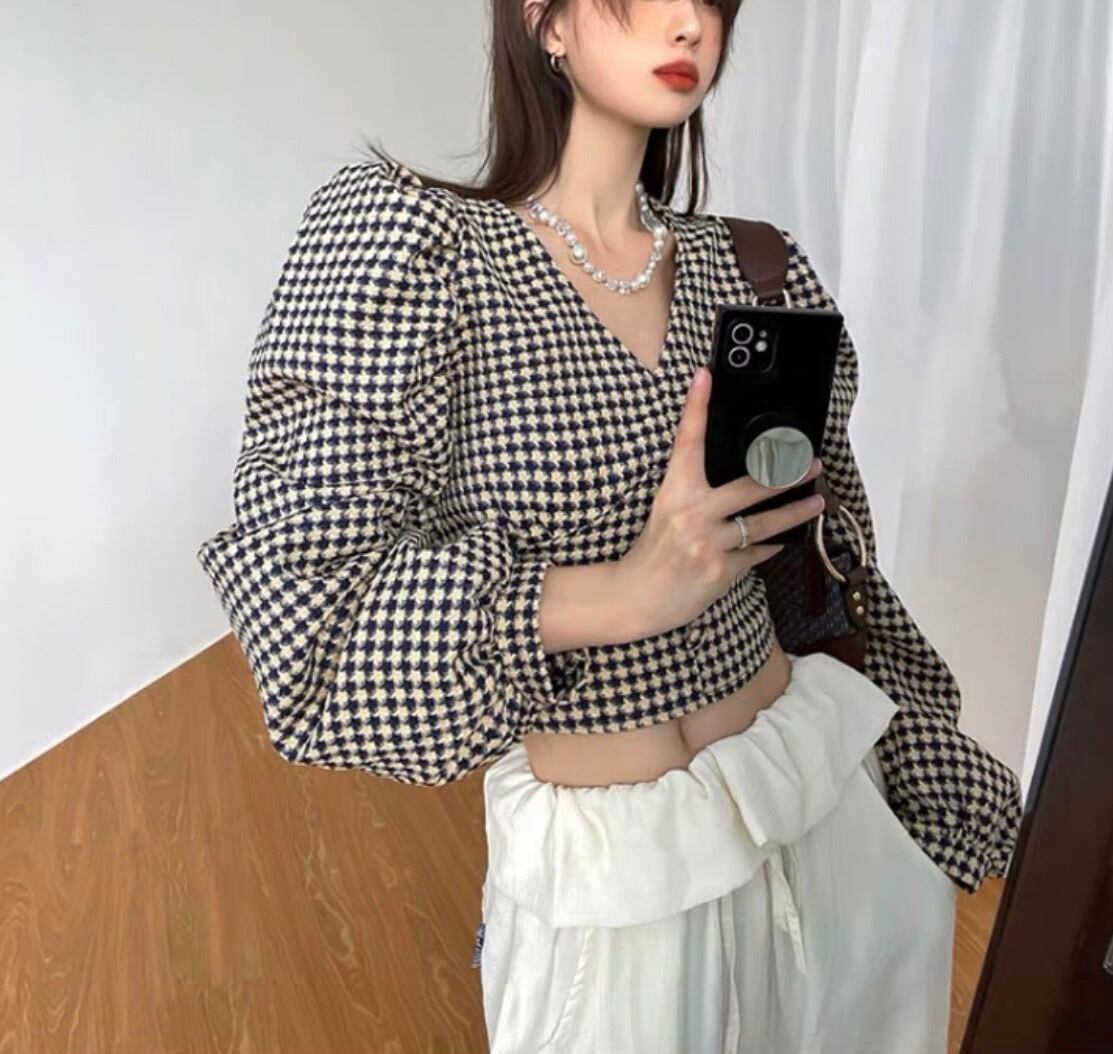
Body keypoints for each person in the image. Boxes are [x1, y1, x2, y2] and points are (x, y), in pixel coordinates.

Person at [197, 0, 1024, 1050]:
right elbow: (311, 616)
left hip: (825, 811)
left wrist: (922, 762)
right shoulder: (419, 251)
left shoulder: (755, 267)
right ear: (543, 20)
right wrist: (622, 594)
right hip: (618, 890)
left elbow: (837, 555)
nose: (688, 24)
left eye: (711, 0)